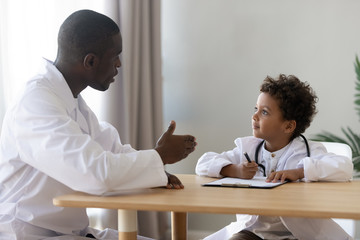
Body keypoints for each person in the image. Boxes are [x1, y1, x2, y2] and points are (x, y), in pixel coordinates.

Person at [0, 9, 197, 240]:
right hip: (28, 234)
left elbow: (111, 149)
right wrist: (158, 157)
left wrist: (156, 170)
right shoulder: (35, 103)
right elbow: (96, 173)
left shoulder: (70, 99)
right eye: (115, 56)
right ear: (90, 61)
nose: (119, 64)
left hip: (67, 233)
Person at [196, 74, 353, 240]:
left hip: (297, 235)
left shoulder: (306, 151)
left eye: (264, 112)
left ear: (288, 126)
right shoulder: (248, 149)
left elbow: (344, 167)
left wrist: (300, 172)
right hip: (253, 233)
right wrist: (234, 170)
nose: (254, 116)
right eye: (255, 109)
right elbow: (203, 163)